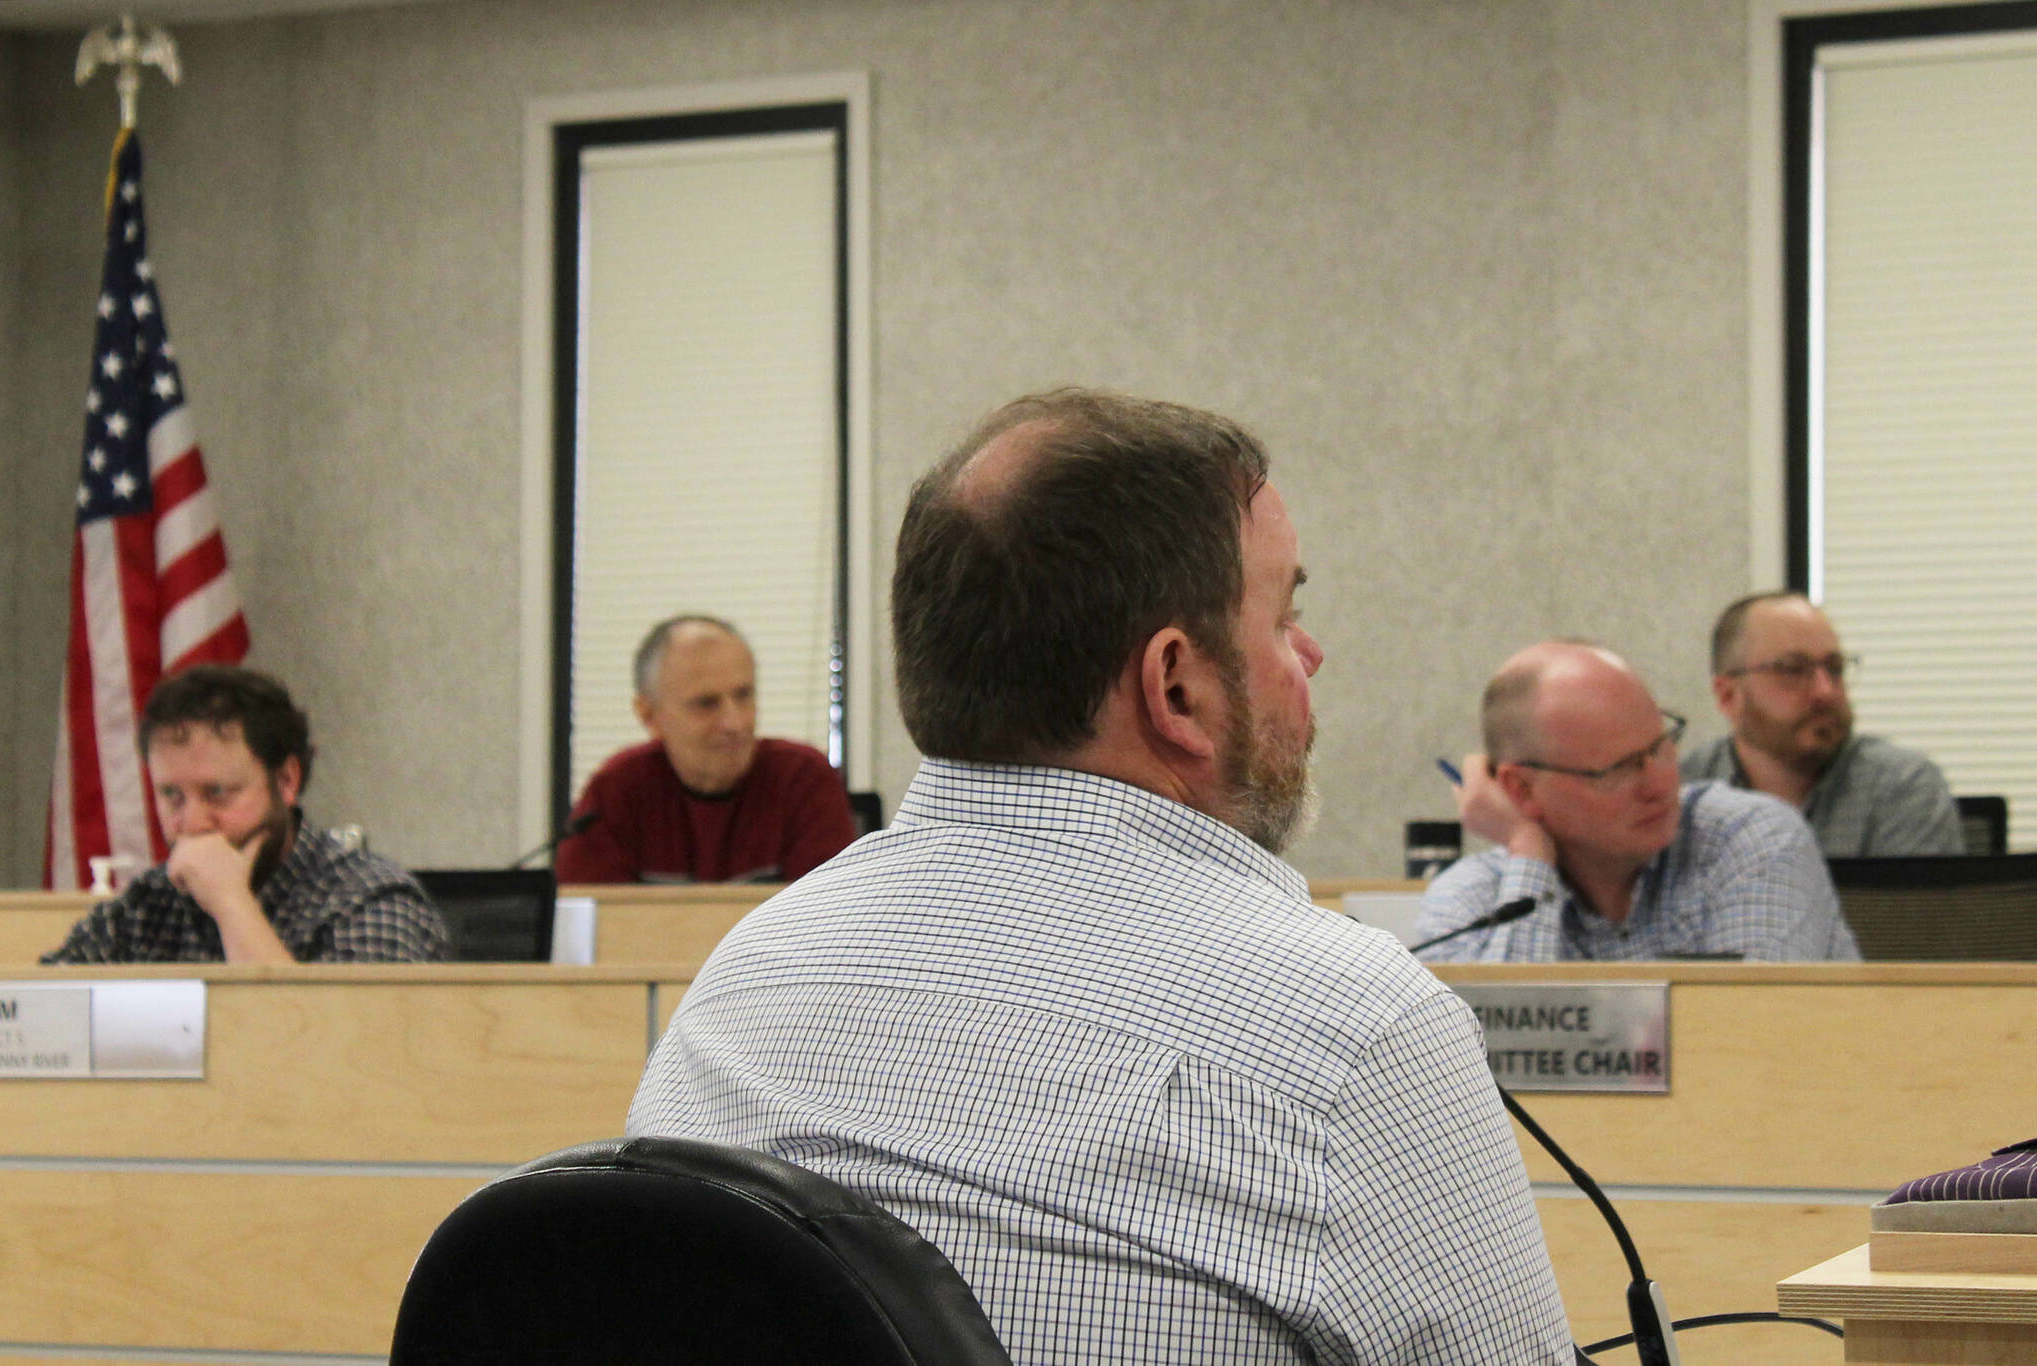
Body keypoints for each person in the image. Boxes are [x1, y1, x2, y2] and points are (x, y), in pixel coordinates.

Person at [629, 390, 1574, 1363]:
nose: (1310, 653)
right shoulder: (1352, 1030)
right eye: (1284, 614)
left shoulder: (735, 983)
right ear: (1175, 686)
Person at [1417, 640, 1858, 963]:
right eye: (1620, 769)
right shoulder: (1468, 901)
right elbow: (1489, 1068)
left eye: (1660, 747)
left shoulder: (1750, 838)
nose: (1659, 782)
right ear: (1521, 790)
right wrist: (1528, 850)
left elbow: (1754, 1034)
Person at [43, 665, 446, 964]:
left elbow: (327, 1053)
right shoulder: (148, 906)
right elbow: (37, 1023)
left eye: (217, 793)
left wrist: (229, 901)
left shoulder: (371, 901)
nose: (194, 824)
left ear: (286, 780)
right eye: (172, 796)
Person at [554, 615, 857, 883]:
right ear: (649, 714)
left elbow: (831, 922)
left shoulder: (802, 780)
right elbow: (587, 922)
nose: (734, 722)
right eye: (706, 703)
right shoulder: (617, 791)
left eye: (744, 695)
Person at [1680, 591, 1963, 857]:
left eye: (1834, 668)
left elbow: (1910, 910)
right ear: (1729, 695)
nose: (1825, 691)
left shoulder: (1901, 787)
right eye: (1793, 669)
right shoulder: (1682, 793)